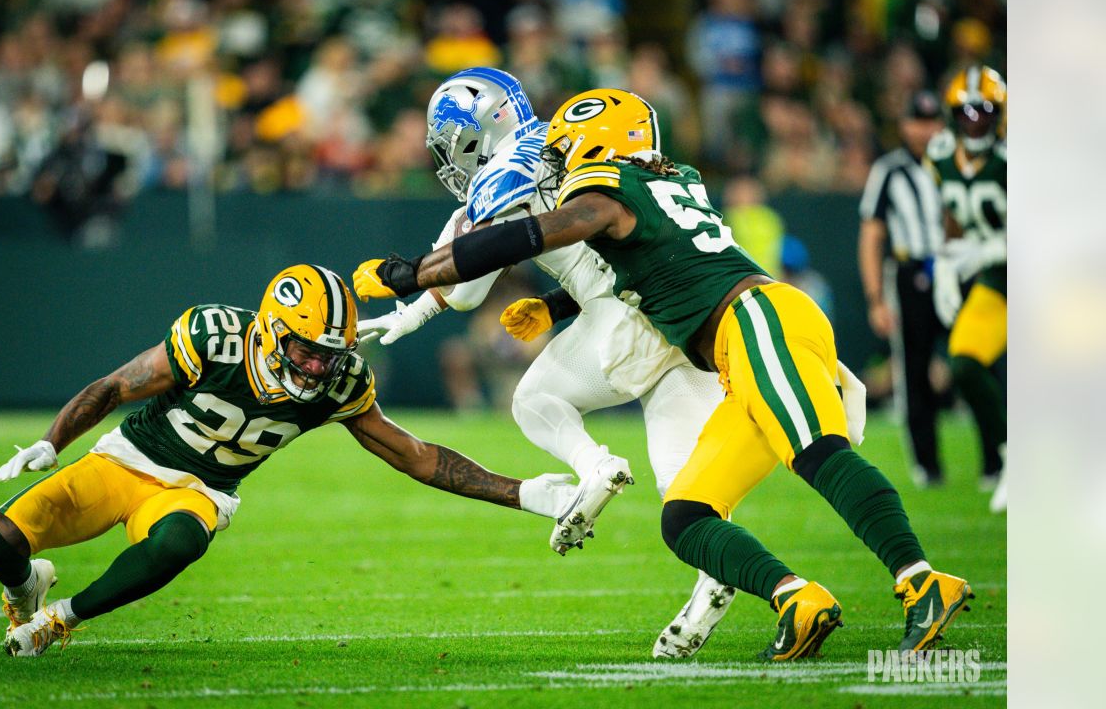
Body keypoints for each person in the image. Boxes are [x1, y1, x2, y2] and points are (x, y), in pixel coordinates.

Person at [353, 88, 972, 660]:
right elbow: (645, 269)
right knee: (687, 515)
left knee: (818, 456)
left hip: (755, 322)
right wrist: (554, 306)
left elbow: (529, 236)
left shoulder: (609, 188)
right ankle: (795, 598)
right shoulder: (667, 183)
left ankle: (922, 581)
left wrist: (412, 275)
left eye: (568, 150)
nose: (561, 162)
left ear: (602, 145)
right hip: (729, 348)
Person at [0, 265, 578, 657]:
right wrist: (53, 441)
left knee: (180, 541)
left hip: (200, 491)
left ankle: (60, 619)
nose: (319, 366)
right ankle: (26, 583)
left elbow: (417, 457)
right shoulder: (215, 337)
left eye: (329, 354)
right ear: (271, 331)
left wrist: (523, 493)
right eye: (306, 350)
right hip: (126, 461)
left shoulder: (341, 383)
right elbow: (114, 387)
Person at [356, 68, 733, 658]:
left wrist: (403, 298)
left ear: (477, 131)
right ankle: (739, 584)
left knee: (533, 401)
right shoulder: (565, 142)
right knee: (688, 492)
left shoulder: (504, 172)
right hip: (682, 313)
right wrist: (557, 303)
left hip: (621, 318)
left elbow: (469, 273)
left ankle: (595, 465)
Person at [925, 66, 1008, 512]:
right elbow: (952, 215)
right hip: (1001, 282)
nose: (976, 120)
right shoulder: (940, 153)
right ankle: (1009, 457)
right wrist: (945, 262)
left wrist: (995, 247)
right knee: (965, 362)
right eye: (967, 111)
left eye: (986, 110)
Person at [858, 90, 949, 486]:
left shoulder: (957, 164)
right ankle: (927, 465)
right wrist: (876, 297)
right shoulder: (890, 170)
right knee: (913, 371)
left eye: (933, 121)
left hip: (958, 270)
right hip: (911, 274)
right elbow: (872, 234)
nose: (926, 130)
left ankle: (996, 460)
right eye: (919, 121)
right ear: (904, 125)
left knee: (975, 362)